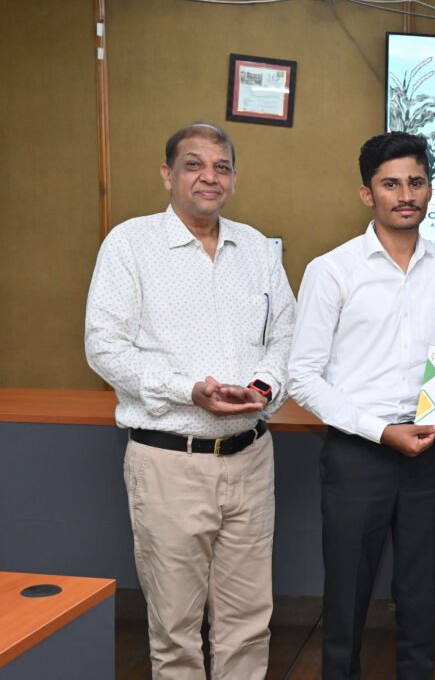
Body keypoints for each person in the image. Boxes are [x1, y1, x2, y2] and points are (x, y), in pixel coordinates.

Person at [84, 121, 295, 679]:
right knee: (174, 628)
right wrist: (189, 390)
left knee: (249, 621)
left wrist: (261, 391)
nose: (209, 177)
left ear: (234, 178)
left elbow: (285, 339)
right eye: (194, 164)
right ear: (167, 174)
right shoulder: (130, 245)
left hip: (251, 459)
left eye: (221, 167)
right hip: (168, 462)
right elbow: (103, 347)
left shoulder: (256, 248)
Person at [287, 131, 435, 680]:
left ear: (430, 189)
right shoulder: (333, 269)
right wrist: (378, 431)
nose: (405, 194)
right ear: (368, 194)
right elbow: (302, 376)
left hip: (429, 452)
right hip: (356, 455)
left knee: (420, 597)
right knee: (346, 599)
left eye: (415, 182)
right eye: (390, 184)